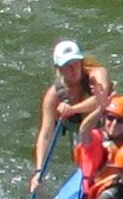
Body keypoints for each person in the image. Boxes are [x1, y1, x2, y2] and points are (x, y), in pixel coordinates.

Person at [31, 42, 111, 182]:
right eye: (67, 65)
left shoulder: (97, 74)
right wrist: (39, 171)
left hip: (110, 124)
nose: (73, 69)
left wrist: (73, 109)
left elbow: (102, 98)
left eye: (75, 63)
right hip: (84, 133)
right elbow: (46, 135)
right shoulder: (53, 97)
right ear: (59, 69)